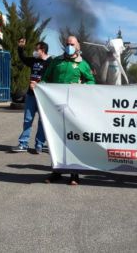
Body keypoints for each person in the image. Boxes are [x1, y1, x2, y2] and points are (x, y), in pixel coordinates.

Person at [43, 35, 96, 186]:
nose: (69, 46)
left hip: (74, 109)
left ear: (78, 46)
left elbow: (91, 81)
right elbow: (46, 79)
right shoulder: (56, 62)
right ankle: (56, 171)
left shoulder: (82, 64)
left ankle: (75, 174)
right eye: (67, 44)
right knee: (56, 140)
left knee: (72, 140)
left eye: (72, 44)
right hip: (56, 108)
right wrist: (38, 86)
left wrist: (82, 87)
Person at [12, 38, 51, 153]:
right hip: (31, 95)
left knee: (42, 121)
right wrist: (20, 48)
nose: (34, 51)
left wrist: (39, 85)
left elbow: (52, 78)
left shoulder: (51, 62)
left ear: (42, 50)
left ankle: (39, 144)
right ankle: (23, 143)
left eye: (36, 49)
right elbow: (23, 58)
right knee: (27, 119)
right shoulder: (34, 60)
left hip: (44, 97)